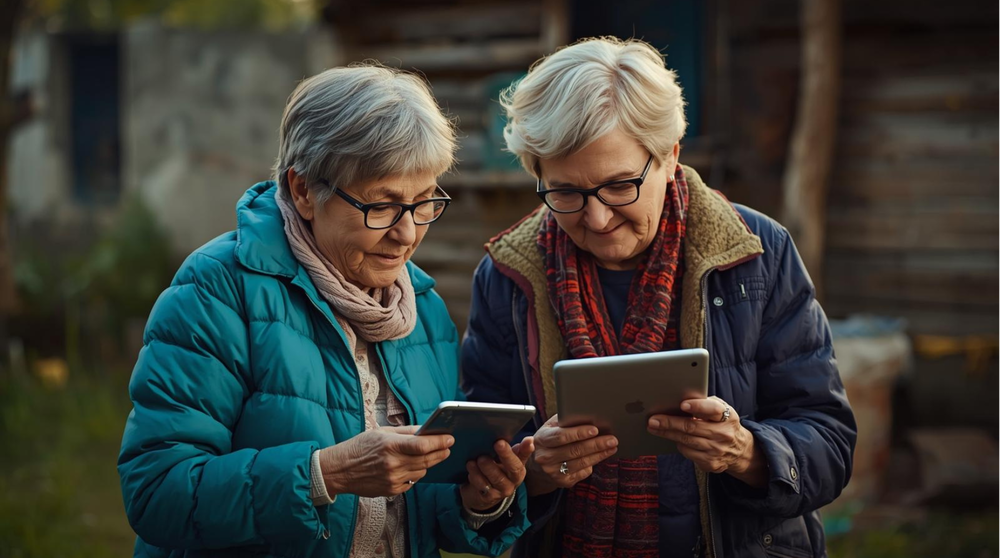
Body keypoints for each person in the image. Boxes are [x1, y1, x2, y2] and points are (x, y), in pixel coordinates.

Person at [461, 37, 857, 558]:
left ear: (670, 155)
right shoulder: (507, 276)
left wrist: (746, 452)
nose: (597, 218)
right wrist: (535, 473)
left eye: (620, 185)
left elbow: (829, 441)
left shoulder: (758, 254)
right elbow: (474, 476)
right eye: (565, 193)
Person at [118, 63, 533, 558]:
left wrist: (477, 500)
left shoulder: (424, 309)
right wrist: (326, 473)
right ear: (303, 191)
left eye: (424, 202)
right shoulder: (216, 290)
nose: (407, 234)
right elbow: (156, 493)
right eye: (381, 206)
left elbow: (419, 514)